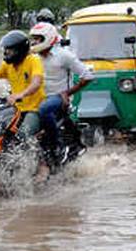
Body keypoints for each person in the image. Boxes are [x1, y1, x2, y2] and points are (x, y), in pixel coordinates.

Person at [28, 22, 94, 163]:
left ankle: (56, 144)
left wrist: (67, 93)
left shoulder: (64, 55)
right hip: (37, 96)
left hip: (57, 97)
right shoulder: (32, 57)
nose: (34, 42)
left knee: (44, 109)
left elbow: (87, 76)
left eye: (38, 39)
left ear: (47, 38)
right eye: (33, 39)